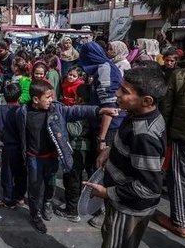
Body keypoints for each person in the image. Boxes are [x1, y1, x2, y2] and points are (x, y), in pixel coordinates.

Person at [84, 68, 167, 248]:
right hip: (120, 200)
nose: (117, 94)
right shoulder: (137, 114)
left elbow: (148, 188)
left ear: (147, 100)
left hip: (128, 207)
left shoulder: (144, 135)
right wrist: (110, 150)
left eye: (124, 91)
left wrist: (106, 192)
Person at [17, 80, 117, 234]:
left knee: (50, 183)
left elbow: (77, 111)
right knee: (35, 186)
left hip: (51, 156)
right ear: (36, 99)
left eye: (52, 96)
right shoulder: (23, 112)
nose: (51, 99)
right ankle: (35, 214)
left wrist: (99, 111)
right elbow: (20, 135)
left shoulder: (56, 109)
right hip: (33, 158)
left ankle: (48, 203)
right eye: (48, 97)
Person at [79, 41, 124, 228]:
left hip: (110, 127)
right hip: (104, 126)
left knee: (103, 169)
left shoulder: (105, 70)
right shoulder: (103, 68)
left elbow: (110, 108)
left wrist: (102, 138)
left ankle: (104, 212)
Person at [157, 55, 185, 240]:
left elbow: (166, 106)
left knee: (181, 179)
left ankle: (179, 222)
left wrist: (163, 134)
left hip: (184, 135)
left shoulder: (180, 74)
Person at [55, 84, 93, 222]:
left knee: (73, 180)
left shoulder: (81, 111)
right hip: (80, 149)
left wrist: (63, 121)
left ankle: (71, 211)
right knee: (72, 179)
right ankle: (69, 200)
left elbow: (76, 130)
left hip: (77, 149)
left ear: (80, 99)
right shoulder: (88, 108)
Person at [0, 83, 26, 209]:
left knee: (8, 174)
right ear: (19, 96)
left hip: (8, 146)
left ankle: (8, 199)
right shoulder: (22, 110)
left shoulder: (0, 110)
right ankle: (20, 196)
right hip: (21, 147)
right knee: (21, 173)